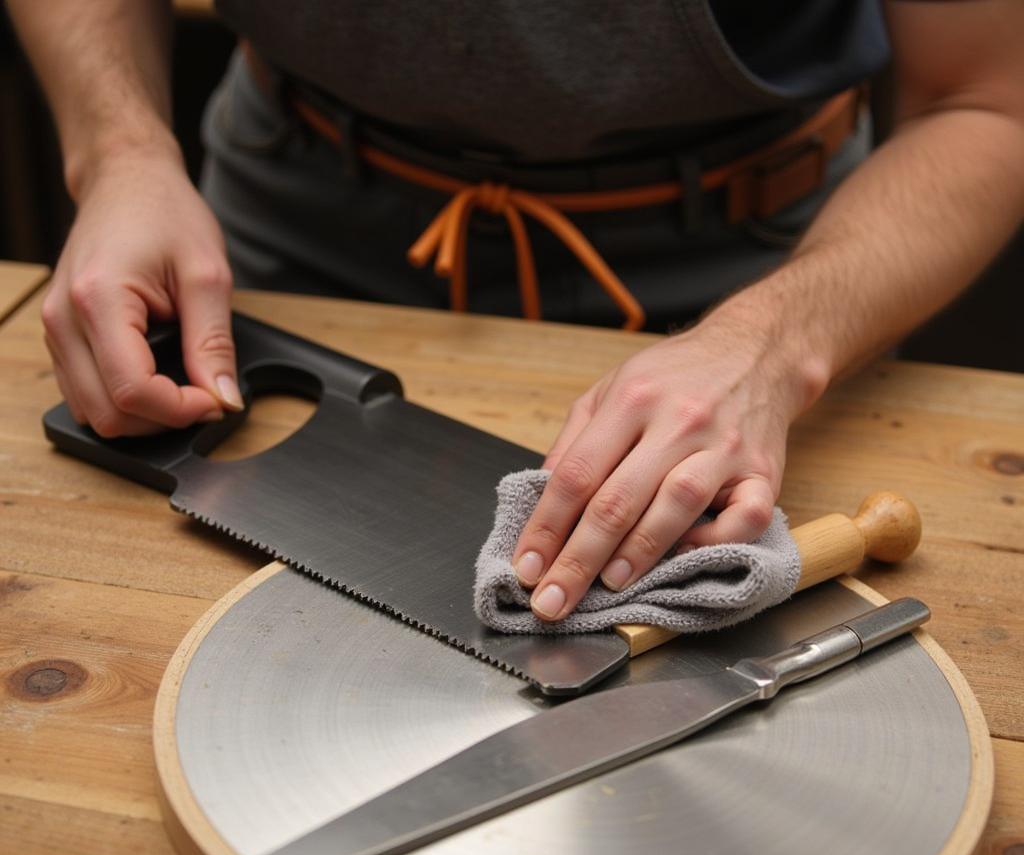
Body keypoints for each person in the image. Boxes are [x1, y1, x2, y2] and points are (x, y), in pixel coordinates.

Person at [9, 1, 1024, 626]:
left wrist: (769, 345)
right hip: (271, 234)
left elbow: (990, 98)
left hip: (751, 269)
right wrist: (120, 151)